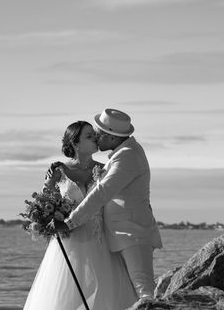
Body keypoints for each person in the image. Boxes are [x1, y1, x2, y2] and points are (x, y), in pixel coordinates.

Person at [12, 121, 138, 310]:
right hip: (69, 242)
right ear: (75, 143)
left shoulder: (105, 169)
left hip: (100, 240)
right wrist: (46, 217)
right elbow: (43, 204)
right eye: (90, 136)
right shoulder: (59, 171)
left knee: (107, 292)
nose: (96, 139)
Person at [52, 108, 162, 299]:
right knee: (137, 289)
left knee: (143, 289)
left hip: (132, 233)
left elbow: (102, 193)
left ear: (112, 138)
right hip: (123, 233)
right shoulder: (126, 153)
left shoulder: (127, 156)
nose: (96, 137)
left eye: (98, 134)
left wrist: (69, 223)